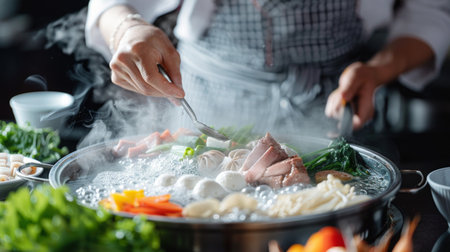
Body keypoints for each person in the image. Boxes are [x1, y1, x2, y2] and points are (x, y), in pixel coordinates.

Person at [85, 0, 450, 136]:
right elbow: (114, 5)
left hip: (341, 101)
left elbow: (429, 13)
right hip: (210, 100)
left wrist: (376, 71)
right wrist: (127, 29)